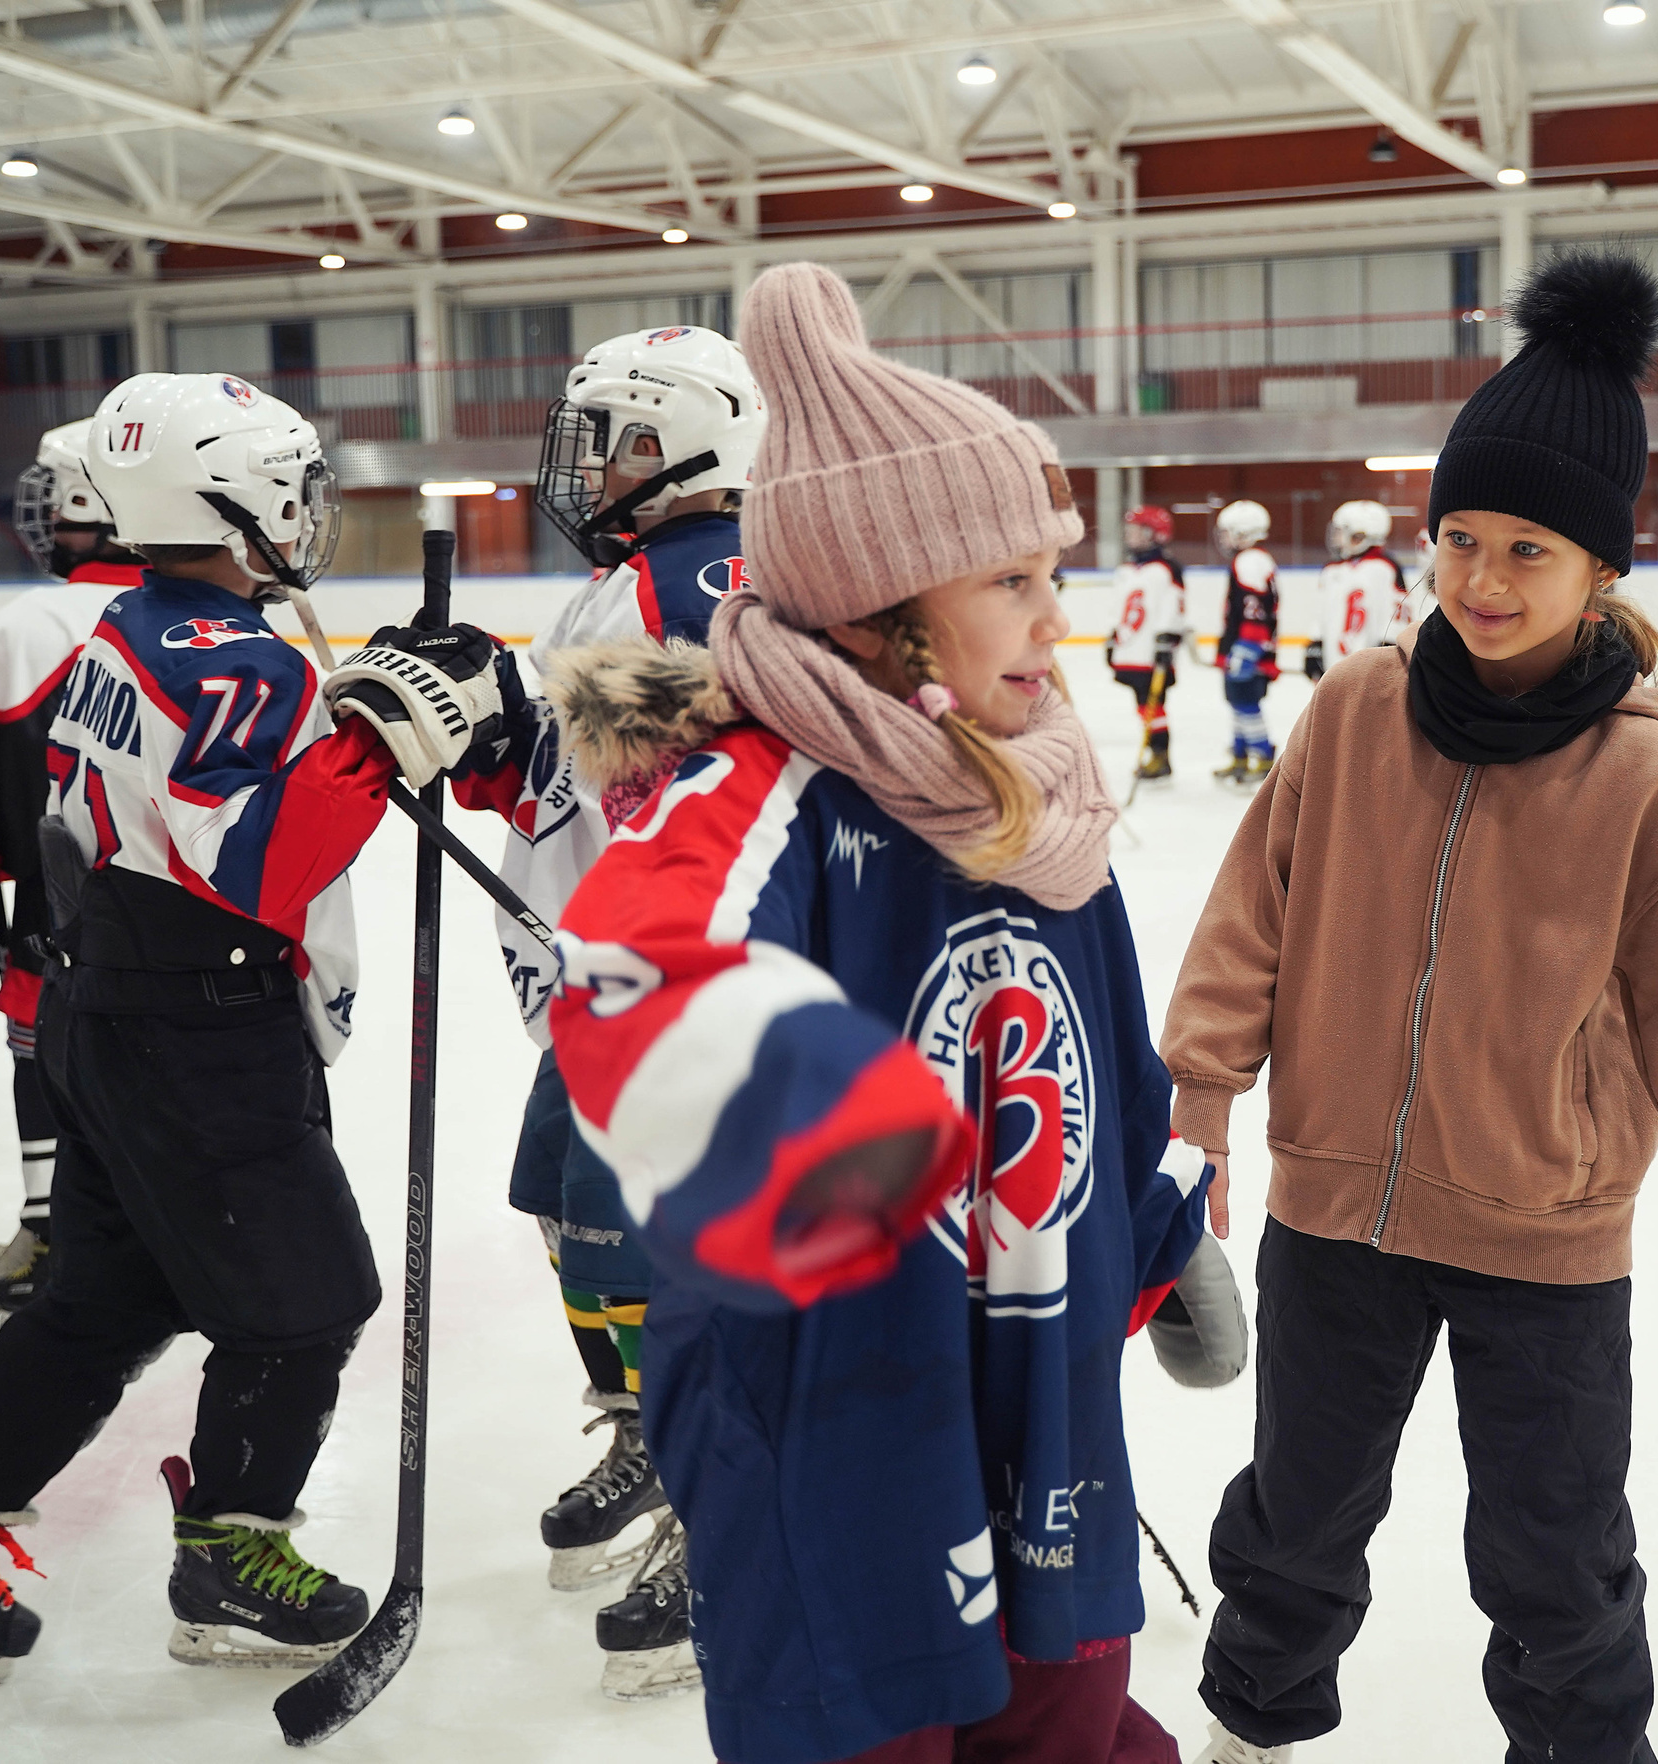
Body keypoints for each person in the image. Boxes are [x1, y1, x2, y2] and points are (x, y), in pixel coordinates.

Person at [1160, 255, 1658, 1764]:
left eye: (1527, 549)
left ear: (1601, 569)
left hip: (1546, 1237)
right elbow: (1248, 913)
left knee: (1554, 1554)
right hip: (1335, 1216)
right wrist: (1201, 1091)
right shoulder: (1354, 711)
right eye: (1459, 538)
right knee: (1297, 1512)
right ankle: (1253, 1727)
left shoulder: (1644, 779)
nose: (1479, 579)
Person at [544, 261, 1213, 1764]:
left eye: (1053, 572)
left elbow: (1093, 1035)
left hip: (1040, 1376)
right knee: (881, 1721)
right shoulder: (755, 790)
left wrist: (1162, 1220)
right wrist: (811, 1126)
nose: (1061, 617)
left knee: (1071, 1713)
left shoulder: (1029, 784)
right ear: (887, 612)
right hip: (836, 1408)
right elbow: (635, 976)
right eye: (1013, 582)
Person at [0, 370, 508, 1685]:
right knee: (305, 1303)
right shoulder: (229, 660)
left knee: (107, 1297)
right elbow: (256, 862)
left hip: (109, 1011)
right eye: (291, 494)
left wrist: (366, 717)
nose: (308, 517)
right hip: (199, 1026)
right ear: (226, 505)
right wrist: (384, 736)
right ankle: (231, 1564)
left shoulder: (134, 629)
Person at [453, 320, 763, 1699]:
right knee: (577, 1213)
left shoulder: (688, 585)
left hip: (667, 990)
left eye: (618, 437)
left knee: (694, 1264)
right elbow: (586, 778)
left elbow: (670, 804)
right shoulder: (651, 579)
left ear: (692, 439)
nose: (587, 465)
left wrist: (501, 739)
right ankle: (650, 1430)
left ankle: (726, 1515)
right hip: (609, 980)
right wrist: (469, 723)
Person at [0, 418, 149, 1314]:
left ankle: (51, 1230)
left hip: (59, 913)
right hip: (184, 916)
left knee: (44, 1054)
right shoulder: (210, 619)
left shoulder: (25, 624)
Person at [1105, 503, 1190, 781]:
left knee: (1153, 705)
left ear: (1157, 535)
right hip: (1131, 651)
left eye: (1138, 530)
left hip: (1151, 654)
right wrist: (1112, 639)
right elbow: (1120, 609)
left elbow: (1174, 606)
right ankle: (1156, 753)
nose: (1130, 535)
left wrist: (1167, 639)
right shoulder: (1128, 570)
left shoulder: (1166, 569)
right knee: (1144, 706)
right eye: (1129, 530)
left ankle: (1160, 756)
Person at [1305, 500, 1413, 680]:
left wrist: (1390, 645)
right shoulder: (1332, 570)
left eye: (1341, 531)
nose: (1335, 537)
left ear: (1359, 535)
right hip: (1334, 662)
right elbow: (1323, 612)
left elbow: (1399, 613)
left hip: (1368, 665)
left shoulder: (1384, 568)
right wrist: (1315, 643)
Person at [1210, 499, 1278, 784]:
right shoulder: (1251, 559)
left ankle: (1262, 755)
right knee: (1237, 702)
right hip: (1242, 645)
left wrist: (1247, 649)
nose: (1223, 538)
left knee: (1247, 702)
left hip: (1249, 648)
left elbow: (1256, 610)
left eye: (1227, 531)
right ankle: (1240, 753)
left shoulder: (1250, 560)